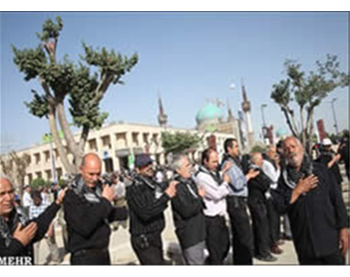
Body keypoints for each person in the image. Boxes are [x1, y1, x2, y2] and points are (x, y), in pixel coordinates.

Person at [271, 137, 349, 265]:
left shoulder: (321, 170)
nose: (290, 150)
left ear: (301, 148)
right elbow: (279, 207)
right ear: (283, 154)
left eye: (293, 146)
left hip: (329, 241)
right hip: (306, 247)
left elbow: (337, 201)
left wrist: (344, 229)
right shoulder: (283, 181)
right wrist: (297, 191)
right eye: (286, 149)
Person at [63, 153, 128, 266]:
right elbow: (85, 226)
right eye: (91, 174)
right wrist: (105, 201)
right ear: (81, 170)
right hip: (85, 258)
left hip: (103, 254)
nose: (95, 178)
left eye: (98, 174)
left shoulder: (98, 190)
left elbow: (104, 215)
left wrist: (126, 211)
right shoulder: (72, 195)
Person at [0, 175, 66, 265]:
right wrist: (17, 244)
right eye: (1, 194)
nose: (8, 198)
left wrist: (57, 203)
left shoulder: (18, 218)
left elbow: (37, 227)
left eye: (10, 192)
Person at [126, 153, 178, 266]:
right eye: (145, 165)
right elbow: (146, 212)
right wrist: (167, 196)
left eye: (150, 163)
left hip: (154, 236)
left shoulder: (150, 183)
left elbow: (160, 191)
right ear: (137, 169)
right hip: (144, 239)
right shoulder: (135, 187)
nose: (149, 167)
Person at [221, 139, 259, 266]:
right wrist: (248, 176)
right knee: (244, 237)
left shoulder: (235, 163)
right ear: (229, 149)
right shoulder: (228, 164)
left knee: (239, 238)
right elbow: (237, 184)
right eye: (236, 147)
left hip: (239, 202)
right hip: (236, 203)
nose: (238, 149)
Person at [194, 148, 231, 266]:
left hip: (220, 217)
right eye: (214, 162)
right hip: (211, 219)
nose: (217, 164)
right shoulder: (202, 176)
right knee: (216, 252)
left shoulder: (211, 173)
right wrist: (225, 183)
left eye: (217, 161)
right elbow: (216, 194)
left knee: (225, 246)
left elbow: (216, 180)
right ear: (205, 161)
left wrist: (223, 172)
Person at [170, 153, 206, 265]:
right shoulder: (177, 187)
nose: (190, 167)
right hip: (190, 234)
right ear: (178, 170)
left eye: (190, 164)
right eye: (187, 165)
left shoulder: (190, 182)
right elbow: (186, 210)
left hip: (199, 231)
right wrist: (200, 197)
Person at [247, 153, 277, 262]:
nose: (262, 162)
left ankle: (258, 250)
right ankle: (263, 252)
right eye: (260, 160)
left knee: (259, 227)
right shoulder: (255, 171)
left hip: (257, 201)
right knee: (262, 228)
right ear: (256, 161)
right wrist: (266, 181)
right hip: (257, 202)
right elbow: (265, 183)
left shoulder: (256, 170)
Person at [29, 190, 61, 265]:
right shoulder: (31, 207)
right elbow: (31, 219)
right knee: (35, 246)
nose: (36, 201)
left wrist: (50, 229)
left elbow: (51, 218)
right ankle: (36, 262)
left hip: (47, 226)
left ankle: (56, 260)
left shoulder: (46, 205)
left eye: (37, 199)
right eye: (34, 199)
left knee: (52, 244)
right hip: (36, 228)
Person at [262, 145, 284, 255]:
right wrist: (277, 166)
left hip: (275, 192)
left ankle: (276, 237)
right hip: (269, 193)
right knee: (272, 219)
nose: (275, 155)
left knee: (276, 218)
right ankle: (273, 242)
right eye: (273, 152)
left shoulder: (271, 163)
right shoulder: (266, 164)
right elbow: (274, 178)